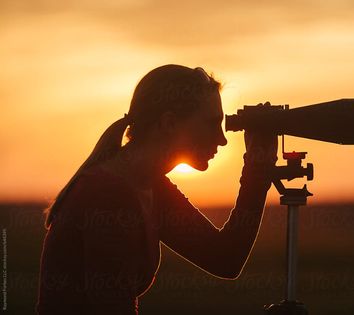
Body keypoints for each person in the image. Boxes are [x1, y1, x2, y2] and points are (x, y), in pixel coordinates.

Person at [36, 64, 278, 314]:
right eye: (211, 123)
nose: (222, 139)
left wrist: (257, 168)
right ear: (169, 123)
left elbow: (225, 258)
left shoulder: (149, 185)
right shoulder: (108, 194)